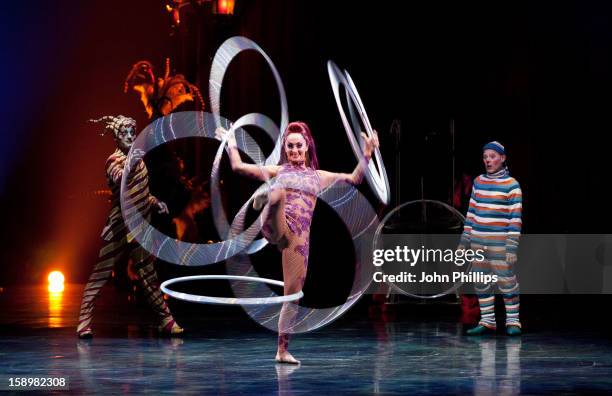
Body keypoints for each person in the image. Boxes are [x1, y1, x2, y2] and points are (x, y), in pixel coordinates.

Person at [216, 121, 379, 363]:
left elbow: (354, 179)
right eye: (289, 146)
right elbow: (238, 167)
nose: (293, 150)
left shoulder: (319, 177)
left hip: (298, 240)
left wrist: (367, 154)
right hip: (277, 226)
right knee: (279, 191)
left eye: (298, 146)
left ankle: (282, 351)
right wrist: (231, 143)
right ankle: (266, 199)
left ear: (307, 147)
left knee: (293, 297)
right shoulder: (279, 170)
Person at [77, 115, 183, 338]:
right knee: (102, 272)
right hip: (120, 226)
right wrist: (131, 163)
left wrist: (155, 202)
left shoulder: (140, 160)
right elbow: (119, 181)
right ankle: (83, 322)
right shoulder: (113, 160)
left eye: (132, 133)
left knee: (147, 274)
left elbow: (141, 191)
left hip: (140, 227)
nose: (129, 137)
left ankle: (167, 320)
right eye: (124, 133)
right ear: (116, 137)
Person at [458, 141, 523, 336]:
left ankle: (513, 321)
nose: (488, 160)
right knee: (481, 281)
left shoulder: (512, 186)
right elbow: (470, 214)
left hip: (500, 245)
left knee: (507, 282)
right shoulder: (478, 182)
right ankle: (488, 321)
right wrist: (464, 241)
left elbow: (515, 219)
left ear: (502, 158)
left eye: (492, 157)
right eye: (485, 157)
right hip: (478, 243)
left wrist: (511, 248)